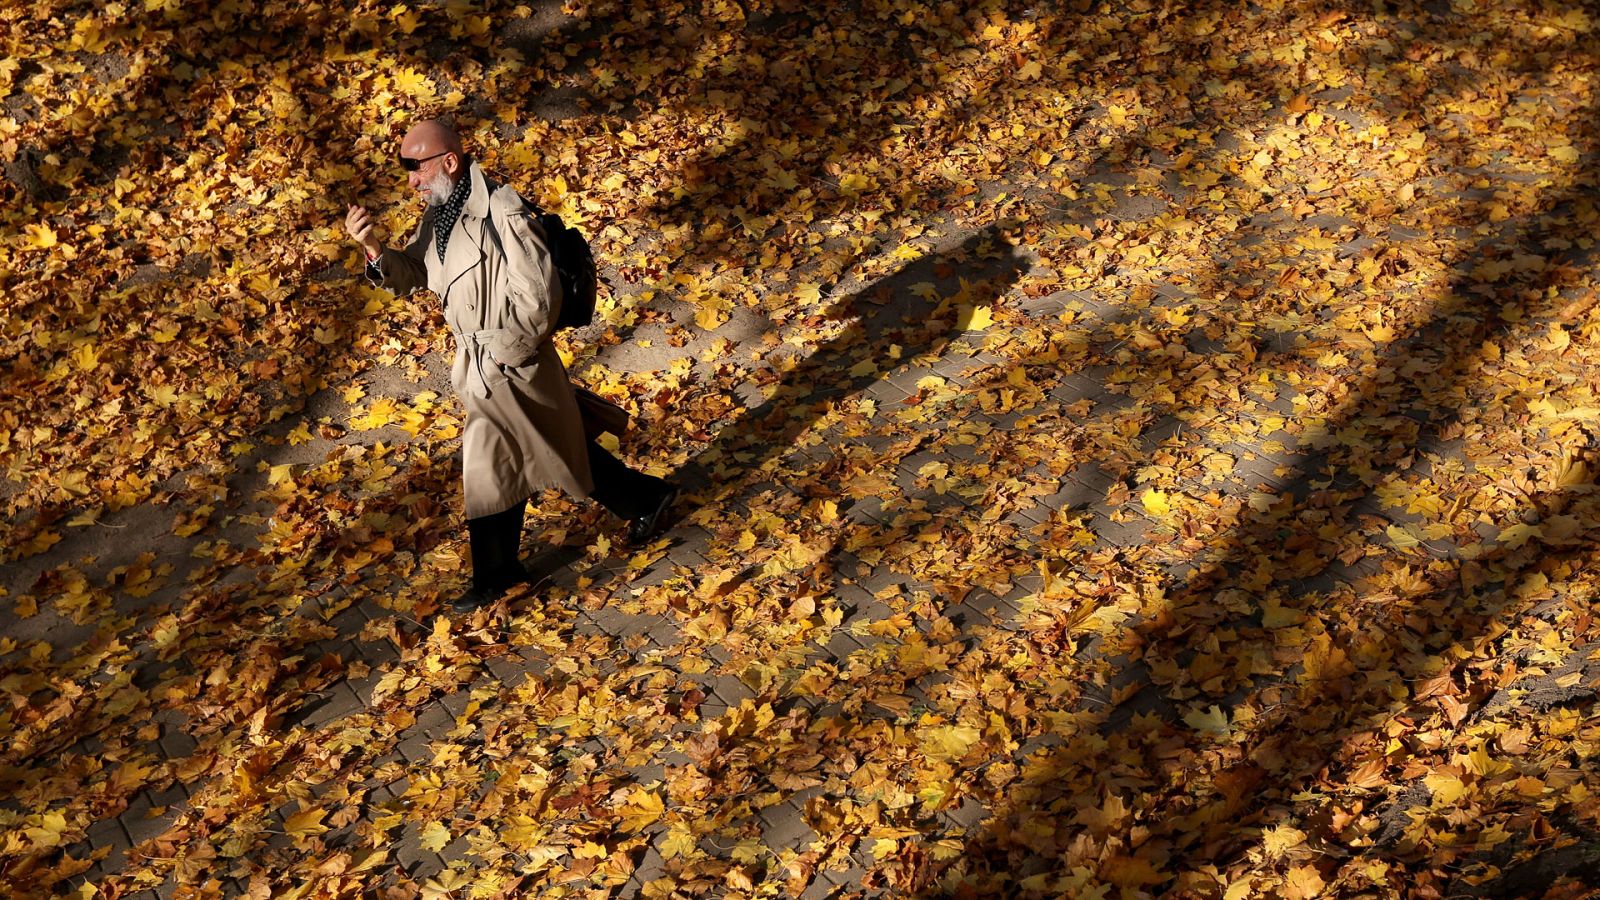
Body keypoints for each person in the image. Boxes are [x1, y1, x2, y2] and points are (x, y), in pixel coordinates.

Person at [344, 120, 677, 611]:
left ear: (449, 162)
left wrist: (507, 352)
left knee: (542, 457)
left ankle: (509, 570)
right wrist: (372, 248)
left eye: (416, 168)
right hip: (482, 366)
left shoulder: (500, 208)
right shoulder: (440, 217)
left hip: (510, 360)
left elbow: (541, 294)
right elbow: (416, 272)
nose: (411, 180)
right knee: (509, 464)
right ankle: (504, 572)